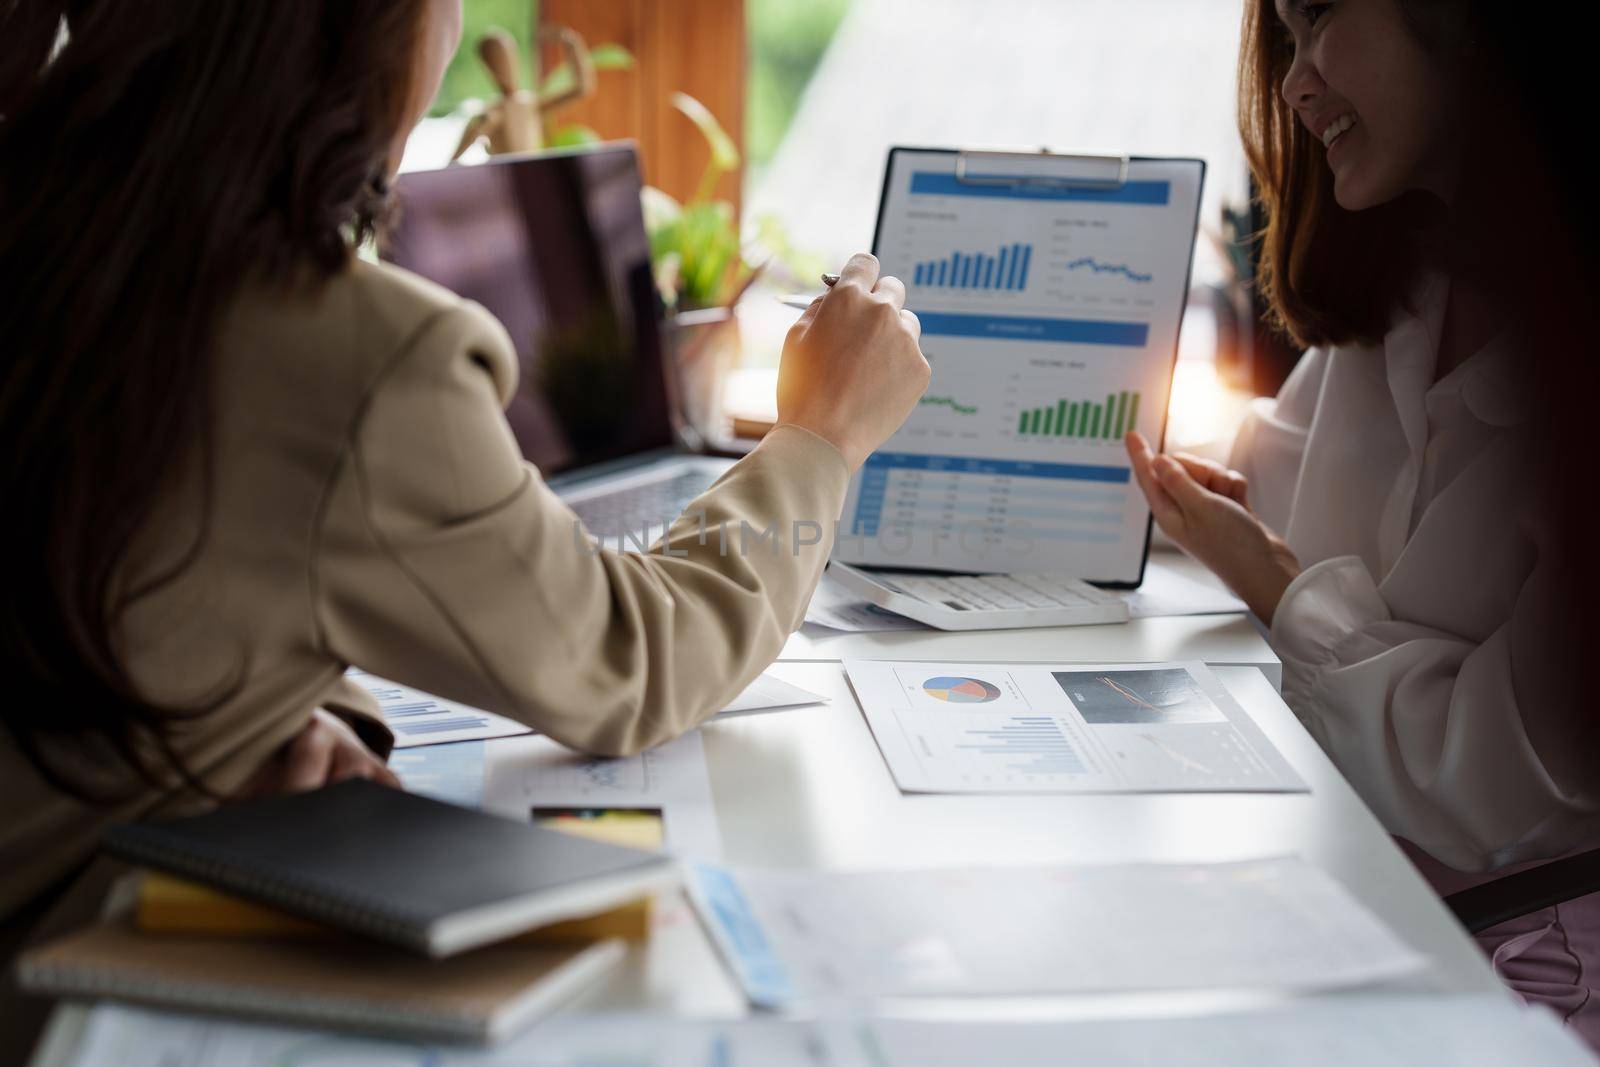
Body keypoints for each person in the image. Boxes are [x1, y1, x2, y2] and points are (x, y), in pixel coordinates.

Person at [0, 0, 928, 1045]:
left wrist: (258, 724)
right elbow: (634, 659)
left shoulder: (54, 228)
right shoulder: (348, 348)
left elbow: (173, 564)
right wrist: (818, 435)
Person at [1124, 0, 1600, 1043]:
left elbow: (1504, 782)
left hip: (1518, 983)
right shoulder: (1407, 289)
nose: (1294, 86)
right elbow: (1279, 482)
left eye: (1321, 18)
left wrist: (1288, 591)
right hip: (1343, 897)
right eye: (1283, 41)